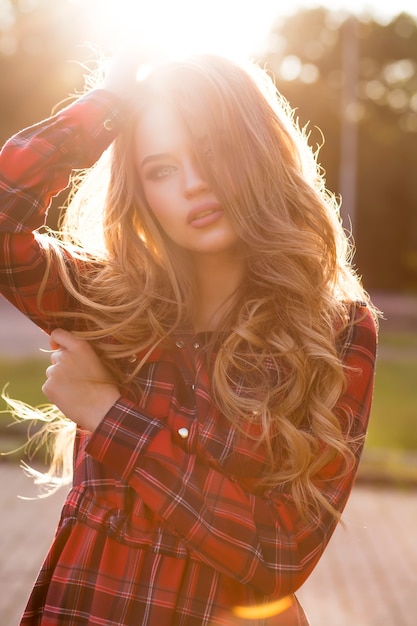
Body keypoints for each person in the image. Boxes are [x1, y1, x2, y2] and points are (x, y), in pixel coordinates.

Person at [0, 49, 377, 625]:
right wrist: (109, 105)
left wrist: (108, 413)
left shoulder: (338, 332)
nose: (194, 184)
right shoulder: (102, 303)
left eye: (213, 150)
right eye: (162, 169)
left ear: (257, 151)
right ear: (142, 190)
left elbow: (280, 554)